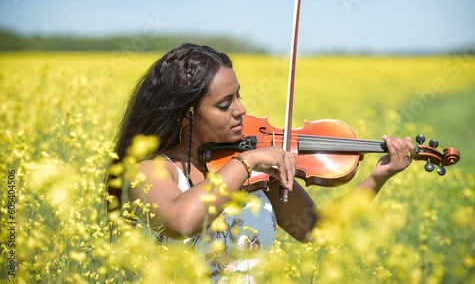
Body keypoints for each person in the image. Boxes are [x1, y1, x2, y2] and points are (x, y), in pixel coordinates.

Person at [106, 43, 416, 281]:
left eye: (239, 96)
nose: (241, 110)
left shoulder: (254, 172)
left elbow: (316, 230)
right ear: (184, 115)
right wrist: (247, 160)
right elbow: (181, 222)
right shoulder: (151, 170)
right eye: (225, 104)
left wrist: (378, 177)